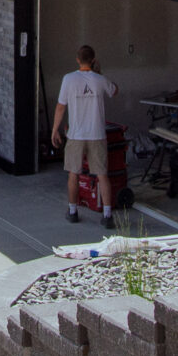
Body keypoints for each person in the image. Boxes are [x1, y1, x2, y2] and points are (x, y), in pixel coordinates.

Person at [50, 44, 118, 222]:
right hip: (97, 134)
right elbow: (114, 91)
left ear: (77, 60)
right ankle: (107, 215)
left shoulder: (68, 79)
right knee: (102, 174)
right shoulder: (99, 79)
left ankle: (73, 212)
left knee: (73, 173)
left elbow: (60, 106)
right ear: (94, 60)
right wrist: (99, 73)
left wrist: (55, 129)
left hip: (76, 135)